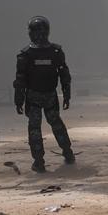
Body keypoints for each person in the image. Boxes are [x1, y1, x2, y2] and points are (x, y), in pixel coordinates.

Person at [13, 16, 75, 173]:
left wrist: (18, 99)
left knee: (34, 128)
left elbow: (20, 80)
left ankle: (39, 161)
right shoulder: (55, 51)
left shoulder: (25, 54)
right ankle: (68, 153)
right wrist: (66, 94)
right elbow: (64, 75)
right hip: (50, 95)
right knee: (57, 124)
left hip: (33, 96)